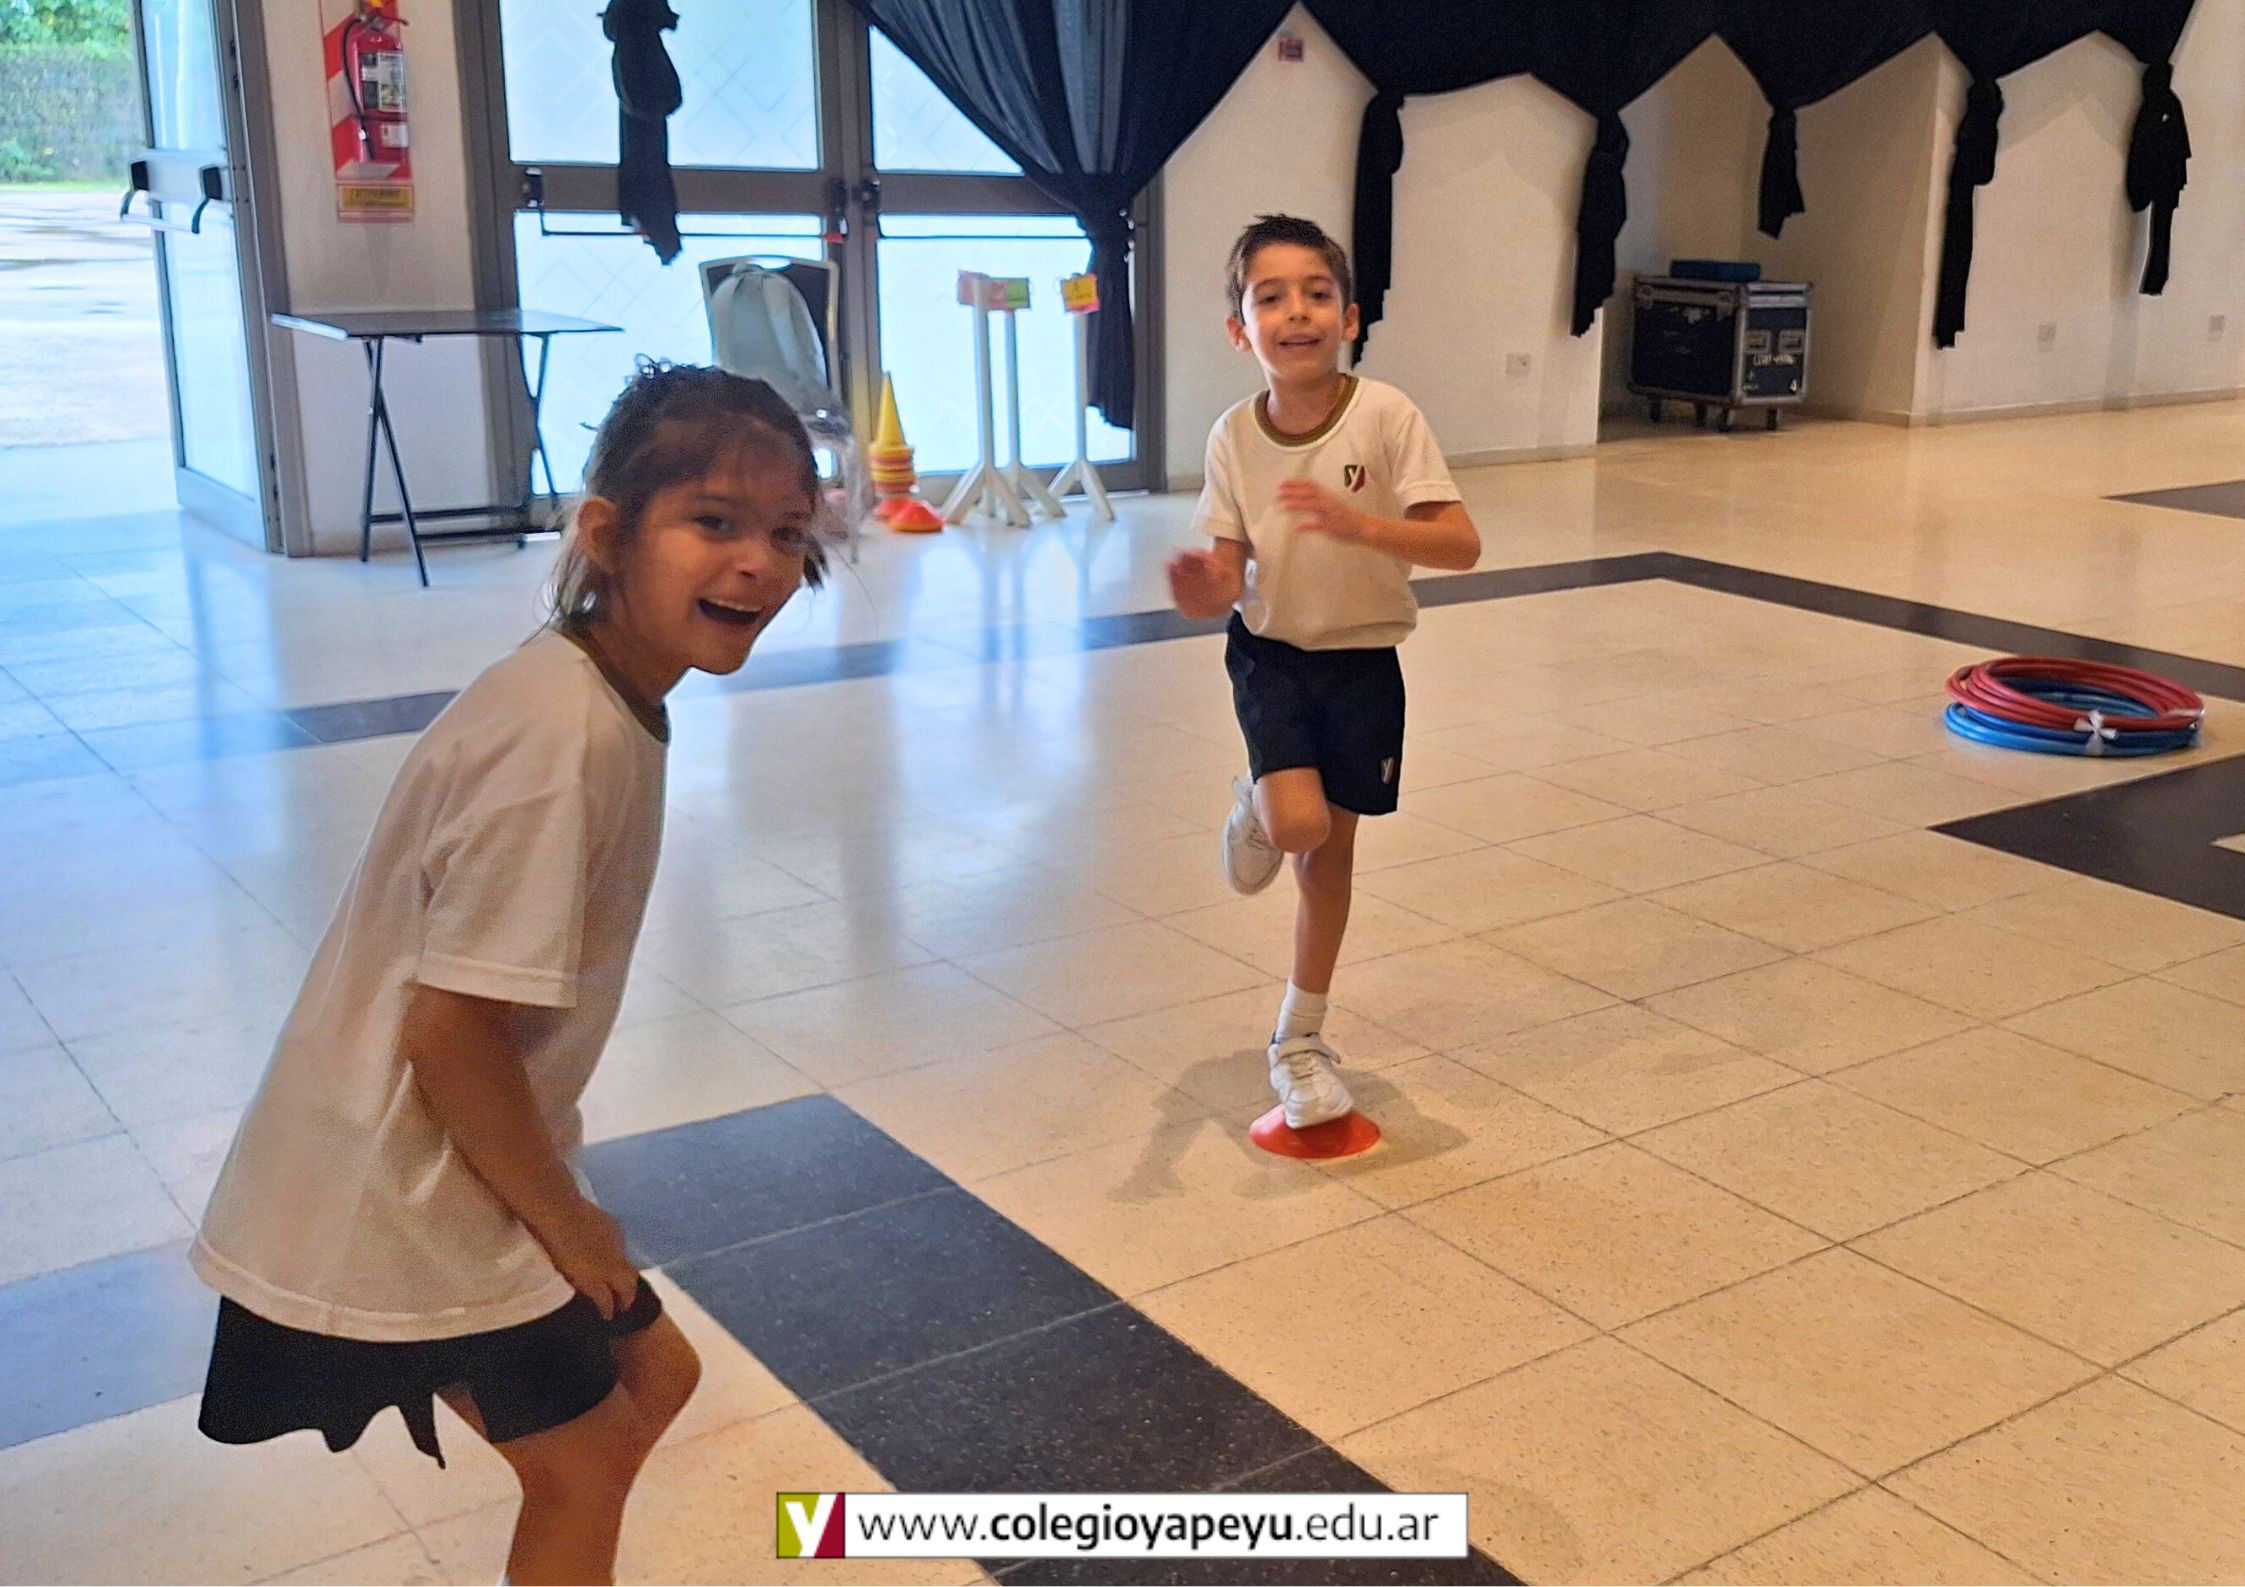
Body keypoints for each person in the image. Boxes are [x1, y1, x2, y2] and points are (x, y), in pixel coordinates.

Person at [188, 363, 829, 1587]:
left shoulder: (594, 691)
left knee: (653, 1381)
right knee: (587, 1460)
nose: (758, 563)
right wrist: (571, 1224)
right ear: (606, 534)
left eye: (787, 534)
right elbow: (451, 1033)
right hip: (400, 1184)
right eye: (713, 521)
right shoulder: (558, 740)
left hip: (442, 1156)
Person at [1168, 215, 1481, 1129]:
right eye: (1270, 298)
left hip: (1362, 659)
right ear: (1240, 330)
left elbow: (1459, 543)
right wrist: (1202, 588)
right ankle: (1262, 803)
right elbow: (1225, 570)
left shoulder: (1386, 415)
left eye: (1314, 294)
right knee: (1299, 826)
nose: (1295, 312)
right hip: (1271, 655)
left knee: (1325, 857)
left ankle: (1297, 1040)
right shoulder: (1232, 435)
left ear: (1348, 317)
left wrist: (1361, 526)